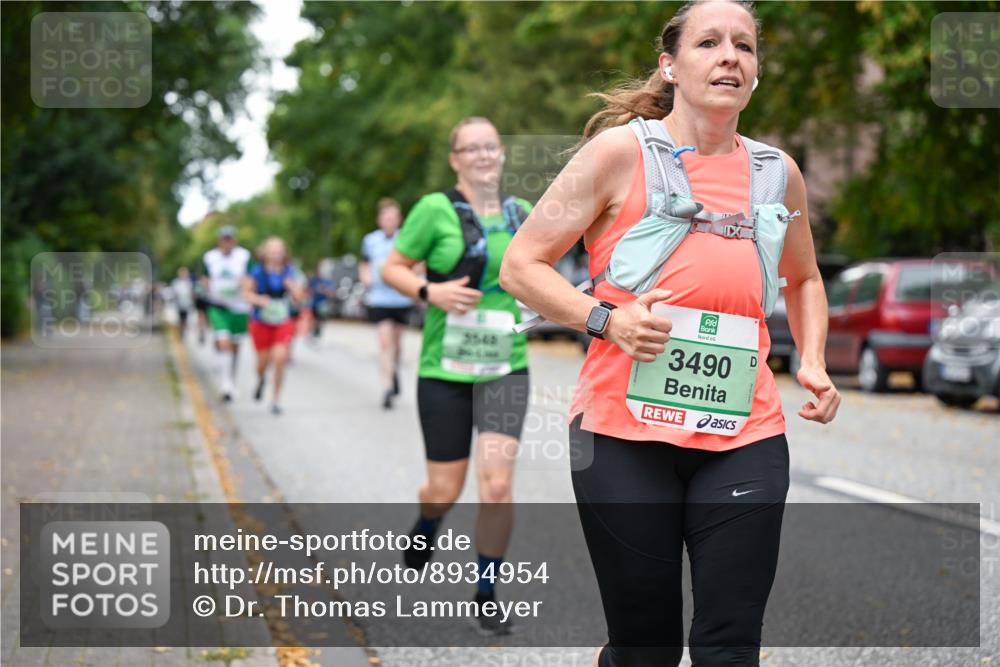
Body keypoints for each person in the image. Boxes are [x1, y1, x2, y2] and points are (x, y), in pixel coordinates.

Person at [500, 2, 841, 665]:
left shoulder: (778, 173)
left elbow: (805, 280)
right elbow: (521, 264)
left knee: (729, 644)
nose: (729, 56)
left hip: (744, 432)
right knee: (646, 646)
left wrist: (817, 361)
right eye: (709, 42)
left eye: (744, 46)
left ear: (757, 72)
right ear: (670, 65)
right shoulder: (616, 155)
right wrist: (607, 319)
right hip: (621, 436)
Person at [382, 117, 533, 636]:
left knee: (495, 485)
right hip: (443, 370)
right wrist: (431, 292)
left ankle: (487, 591)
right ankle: (428, 523)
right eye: (472, 149)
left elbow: (544, 271)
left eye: (492, 146)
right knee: (444, 489)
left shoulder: (523, 214)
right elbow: (393, 267)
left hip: (505, 367)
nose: (484, 155)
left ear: (502, 154)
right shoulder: (433, 210)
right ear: (455, 159)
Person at [360, 197, 415, 409]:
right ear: (379, 219)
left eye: (393, 217)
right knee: (385, 343)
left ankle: (393, 371)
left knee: (397, 344)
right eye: (386, 217)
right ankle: (386, 386)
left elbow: (416, 264)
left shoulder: (406, 239)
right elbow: (364, 264)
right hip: (379, 298)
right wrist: (366, 278)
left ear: (399, 219)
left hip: (400, 299)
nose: (389, 220)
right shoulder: (370, 240)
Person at [202, 225, 252, 402]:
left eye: (230, 238)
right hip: (219, 306)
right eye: (224, 239)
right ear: (219, 240)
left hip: (239, 307)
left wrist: (244, 285)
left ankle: (231, 380)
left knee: (236, 347)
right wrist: (207, 290)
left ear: (234, 240)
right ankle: (225, 384)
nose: (227, 242)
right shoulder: (210, 258)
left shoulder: (244, 257)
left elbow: (250, 279)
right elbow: (205, 278)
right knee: (224, 343)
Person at [170, 267, 195, 335]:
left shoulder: (188, 282)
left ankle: (184, 332)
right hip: (179, 304)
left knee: (187, 319)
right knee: (181, 319)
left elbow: (191, 293)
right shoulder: (176, 282)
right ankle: (181, 332)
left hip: (188, 304)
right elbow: (174, 293)